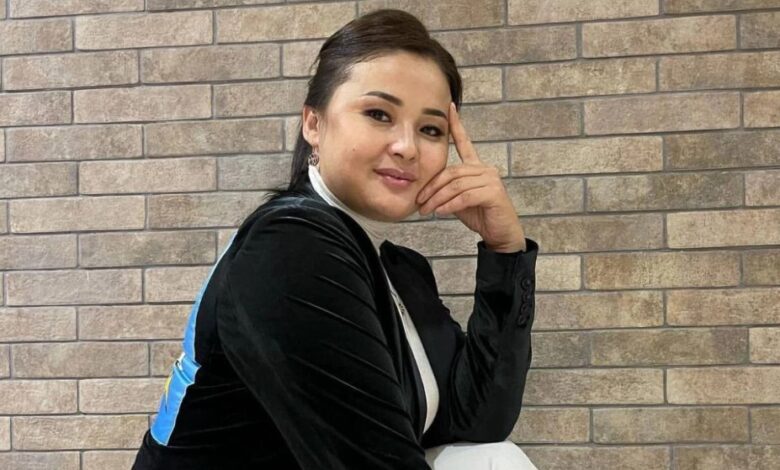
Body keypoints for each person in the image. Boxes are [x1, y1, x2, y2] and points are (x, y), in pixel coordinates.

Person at [132, 8, 539, 470]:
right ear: (314, 124)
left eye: (430, 129)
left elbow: (480, 420)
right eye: (378, 114)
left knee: (493, 458)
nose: (407, 147)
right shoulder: (291, 248)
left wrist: (505, 251)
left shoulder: (399, 269)